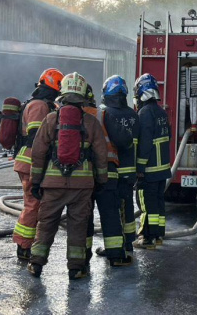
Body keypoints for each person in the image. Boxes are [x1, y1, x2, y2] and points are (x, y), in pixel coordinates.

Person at [27, 72, 108, 280]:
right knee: (78, 228)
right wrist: (100, 181)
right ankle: (75, 268)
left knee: (45, 225)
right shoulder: (91, 123)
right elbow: (100, 156)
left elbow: (37, 153)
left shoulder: (50, 120)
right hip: (82, 188)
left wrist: (36, 182)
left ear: (62, 94)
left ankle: (36, 264)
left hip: (52, 186)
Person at [12, 68, 63, 261]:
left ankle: (27, 244)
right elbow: (37, 138)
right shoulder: (39, 106)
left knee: (37, 204)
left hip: (34, 161)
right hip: (30, 162)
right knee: (33, 204)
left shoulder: (46, 105)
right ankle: (23, 247)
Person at [82, 84, 132, 267]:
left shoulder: (63, 115)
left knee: (83, 215)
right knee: (110, 213)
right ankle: (116, 256)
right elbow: (123, 140)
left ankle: (82, 256)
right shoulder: (102, 114)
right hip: (108, 172)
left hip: (81, 175)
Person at [95, 75, 140, 255]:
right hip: (131, 170)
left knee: (113, 209)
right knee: (127, 207)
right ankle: (129, 242)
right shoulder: (133, 114)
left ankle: (115, 246)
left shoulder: (107, 114)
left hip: (114, 170)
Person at [132, 73, 171, 249]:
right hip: (162, 170)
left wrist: (139, 167)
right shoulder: (161, 112)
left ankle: (146, 239)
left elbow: (145, 143)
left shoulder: (144, 113)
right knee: (158, 203)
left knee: (146, 204)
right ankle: (158, 236)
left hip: (149, 170)